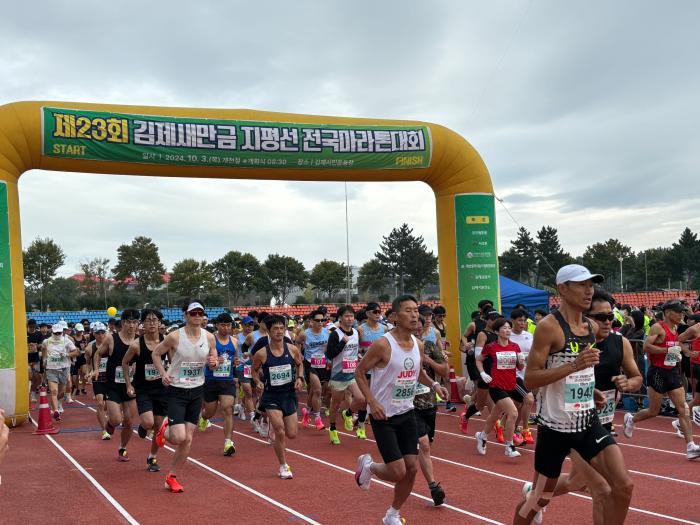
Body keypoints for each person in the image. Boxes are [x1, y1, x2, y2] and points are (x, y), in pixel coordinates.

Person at [514, 265, 633, 525]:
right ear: (563, 289)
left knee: (623, 486)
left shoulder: (590, 326)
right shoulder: (549, 327)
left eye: (591, 285)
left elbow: (581, 372)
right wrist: (574, 365)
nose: (588, 290)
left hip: (587, 421)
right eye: (581, 285)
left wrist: (591, 392)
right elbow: (531, 377)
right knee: (539, 499)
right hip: (555, 428)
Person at [354, 295, 449, 525]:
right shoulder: (383, 345)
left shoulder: (418, 344)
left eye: (416, 310)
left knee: (412, 469)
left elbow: (417, 372)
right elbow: (359, 372)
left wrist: (435, 385)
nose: (415, 315)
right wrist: (371, 402)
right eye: (408, 310)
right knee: (397, 472)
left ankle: (392, 514)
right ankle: (369, 466)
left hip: (407, 413)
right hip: (383, 415)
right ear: (395, 316)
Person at [153, 300, 218, 493]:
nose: (197, 316)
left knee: (188, 439)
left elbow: (212, 358)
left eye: (200, 313)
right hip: (177, 390)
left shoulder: (209, 337)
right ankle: (164, 429)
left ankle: (171, 477)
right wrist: (163, 374)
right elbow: (156, 354)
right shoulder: (174, 337)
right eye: (193, 313)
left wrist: (213, 362)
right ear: (186, 316)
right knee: (178, 437)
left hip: (197, 391)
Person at [623, 300, 700, 459]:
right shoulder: (658, 327)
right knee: (654, 410)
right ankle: (631, 419)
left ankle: (691, 446)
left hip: (672, 372)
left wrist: (682, 352)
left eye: (682, 312)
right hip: (657, 372)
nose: (681, 315)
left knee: (683, 409)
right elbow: (646, 347)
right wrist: (667, 350)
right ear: (668, 312)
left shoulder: (675, 328)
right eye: (678, 312)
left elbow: (676, 344)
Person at [252, 315, 304, 479]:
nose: (279, 331)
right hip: (271, 396)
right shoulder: (261, 353)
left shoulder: (292, 349)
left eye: (282, 328)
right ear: (268, 331)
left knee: (292, 434)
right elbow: (253, 370)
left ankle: (270, 427)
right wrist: (257, 381)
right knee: (280, 431)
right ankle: (283, 466)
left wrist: (300, 378)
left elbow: (299, 364)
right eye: (275, 328)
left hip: (288, 395)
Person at [122, 308, 168, 472]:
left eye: (155, 320)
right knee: (149, 422)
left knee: (159, 426)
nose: (152, 323)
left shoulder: (167, 341)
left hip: (162, 389)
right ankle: (143, 426)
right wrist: (129, 384)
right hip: (143, 389)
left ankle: (152, 457)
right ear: (143, 323)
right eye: (148, 320)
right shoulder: (136, 345)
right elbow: (125, 363)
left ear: (160, 323)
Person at [93, 309, 140, 461]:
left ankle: (122, 448)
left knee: (129, 421)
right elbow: (98, 353)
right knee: (116, 419)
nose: (131, 325)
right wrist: (95, 370)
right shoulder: (111, 339)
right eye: (128, 322)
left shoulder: (139, 341)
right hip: (113, 386)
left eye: (134, 322)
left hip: (130, 386)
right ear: (123, 323)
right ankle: (110, 424)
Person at [474, 318, 525, 458]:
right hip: (496, 386)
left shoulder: (515, 347)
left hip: (511, 384)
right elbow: (478, 360)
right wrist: (483, 373)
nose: (508, 330)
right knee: (513, 413)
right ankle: (509, 447)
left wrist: (521, 362)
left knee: (495, 415)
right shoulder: (491, 346)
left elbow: (520, 367)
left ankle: (482, 436)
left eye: (509, 328)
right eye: (504, 328)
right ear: (497, 331)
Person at [413, 316, 448, 506]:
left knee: (425, 446)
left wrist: (429, 361)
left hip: (429, 404)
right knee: (424, 444)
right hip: (408, 405)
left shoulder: (430, 346)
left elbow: (444, 369)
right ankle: (433, 487)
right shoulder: (399, 348)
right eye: (413, 330)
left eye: (420, 330)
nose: (417, 333)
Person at [198, 313, 239, 456]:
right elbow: (202, 359)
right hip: (211, 380)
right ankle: (203, 417)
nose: (226, 328)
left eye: (228, 325)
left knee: (228, 409)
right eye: (222, 325)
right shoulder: (210, 340)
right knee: (210, 411)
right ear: (216, 325)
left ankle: (228, 442)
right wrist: (213, 362)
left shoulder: (234, 341)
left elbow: (234, 358)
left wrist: (235, 363)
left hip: (227, 380)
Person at [326, 305, 367, 444]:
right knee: (336, 404)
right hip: (338, 375)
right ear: (340, 318)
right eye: (346, 316)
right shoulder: (335, 334)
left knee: (361, 399)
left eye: (351, 316)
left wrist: (359, 357)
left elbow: (356, 350)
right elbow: (330, 354)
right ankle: (332, 429)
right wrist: (343, 342)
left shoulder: (356, 332)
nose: (350, 319)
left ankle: (348, 413)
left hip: (352, 373)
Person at [296, 309, 329, 431]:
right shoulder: (305, 333)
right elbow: (297, 342)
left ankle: (306, 411)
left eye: (323, 320)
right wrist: (299, 354)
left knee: (313, 392)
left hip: (323, 364)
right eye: (317, 320)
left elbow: (328, 347)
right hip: (310, 363)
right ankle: (317, 418)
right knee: (318, 391)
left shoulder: (327, 332)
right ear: (311, 321)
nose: (320, 322)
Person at [41, 323, 79, 420]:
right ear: (52, 332)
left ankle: (54, 404)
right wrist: (44, 359)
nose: (57, 335)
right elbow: (43, 349)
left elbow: (76, 352)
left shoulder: (67, 341)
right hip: (51, 369)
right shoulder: (47, 341)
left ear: (62, 332)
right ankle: (56, 411)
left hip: (63, 369)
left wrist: (66, 354)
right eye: (55, 333)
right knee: (54, 391)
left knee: (61, 393)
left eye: (59, 333)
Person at [509, 308, 536, 445]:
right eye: (520, 320)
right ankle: (525, 430)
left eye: (524, 321)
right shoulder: (507, 336)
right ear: (512, 320)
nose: (522, 323)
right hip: (512, 375)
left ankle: (508, 429)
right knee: (529, 399)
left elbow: (534, 354)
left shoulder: (529, 336)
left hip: (526, 375)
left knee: (519, 405)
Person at [85, 322, 111, 440]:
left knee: (108, 405)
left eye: (102, 332)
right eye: (98, 333)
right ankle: (104, 430)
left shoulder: (111, 345)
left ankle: (107, 416)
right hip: (98, 378)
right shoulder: (90, 348)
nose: (100, 335)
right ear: (93, 334)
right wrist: (88, 372)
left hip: (111, 378)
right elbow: (88, 364)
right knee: (100, 403)